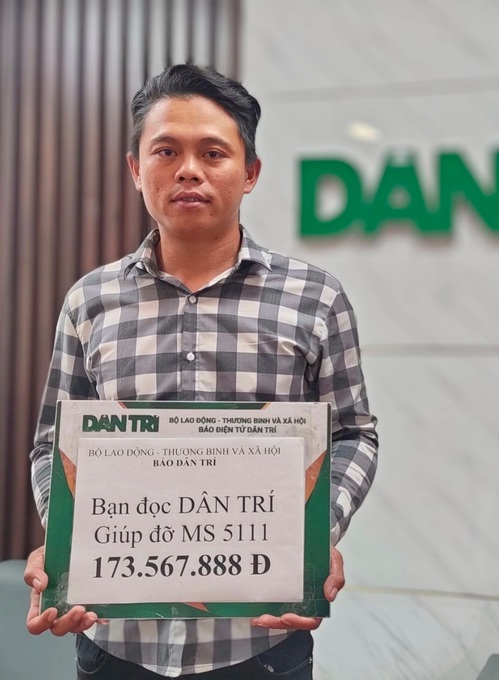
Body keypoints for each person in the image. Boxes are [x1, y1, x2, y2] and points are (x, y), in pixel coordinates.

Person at [23, 64, 378, 679]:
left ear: (251, 172)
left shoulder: (315, 298)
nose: (189, 169)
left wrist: (314, 533)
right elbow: (54, 448)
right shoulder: (90, 300)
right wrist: (67, 544)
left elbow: (353, 435)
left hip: (259, 646)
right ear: (136, 169)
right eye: (166, 151)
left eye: (213, 152)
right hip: (116, 645)